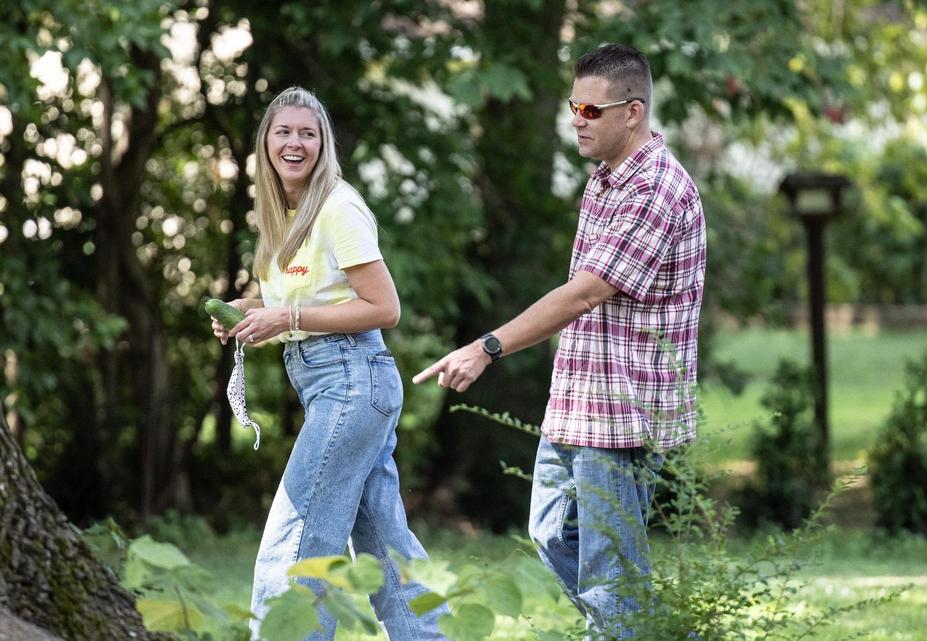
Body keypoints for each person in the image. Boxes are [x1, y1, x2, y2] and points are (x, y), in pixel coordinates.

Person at [412, 44, 706, 639]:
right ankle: (653, 630)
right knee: (550, 534)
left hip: (623, 411)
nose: (577, 119)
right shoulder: (606, 180)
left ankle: (633, 630)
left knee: (609, 574)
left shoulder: (654, 189)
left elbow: (585, 293)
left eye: (592, 111)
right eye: (575, 106)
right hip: (578, 402)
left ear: (633, 111)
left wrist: (486, 346)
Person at [210, 86, 448, 641]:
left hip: (352, 381)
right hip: (339, 384)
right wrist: (249, 312)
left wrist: (285, 319)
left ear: (324, 144)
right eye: (284, 132)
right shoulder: (283, 213)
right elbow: (306, 296)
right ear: (266, 140)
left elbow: (382, 308)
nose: (295, 143)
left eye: (308, 133)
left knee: (293, 546)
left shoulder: (338, 207)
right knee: (384, 547)